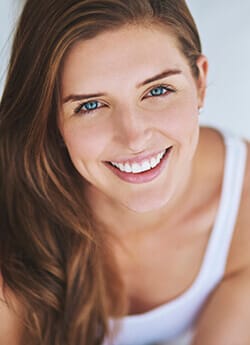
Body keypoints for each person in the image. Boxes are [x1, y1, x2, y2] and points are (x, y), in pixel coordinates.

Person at [0, 1, 250, 344]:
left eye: (157, 90)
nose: (134, 138)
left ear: (200, 82)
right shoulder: (12, 217)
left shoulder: (243, 203)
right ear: (50, 119)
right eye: (90, 105)